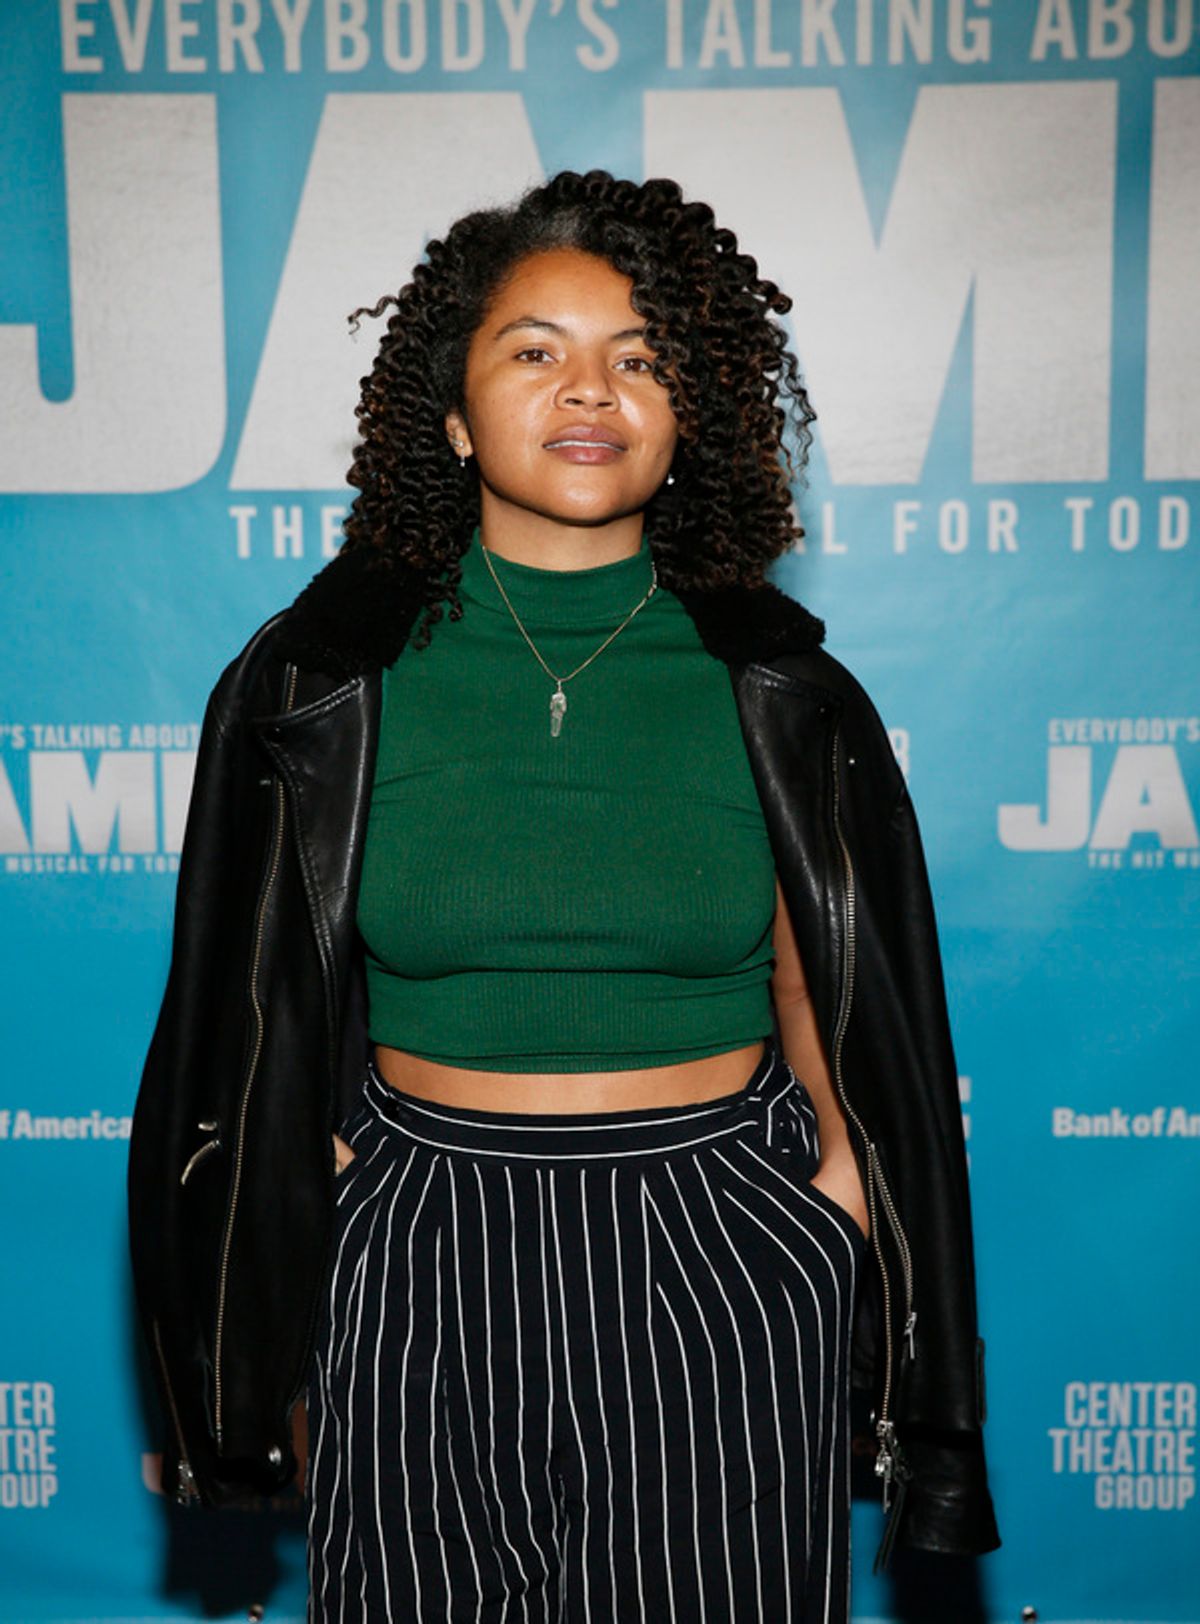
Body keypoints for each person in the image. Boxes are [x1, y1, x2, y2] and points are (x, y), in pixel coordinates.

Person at [128, 169, 999, 1621]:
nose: (591, 391)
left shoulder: (782, 686)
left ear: (688, 413)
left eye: (640, 358)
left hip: (719, 1241)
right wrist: (320, 1207)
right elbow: (237, 1004)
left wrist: (830, 1205)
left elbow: (821, 980)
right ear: (457, 415)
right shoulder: (317, 679)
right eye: (535, 351)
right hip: (416, 1240)